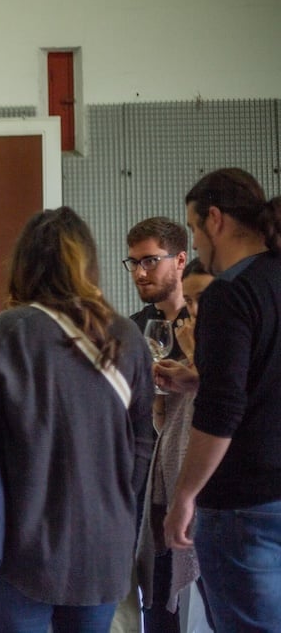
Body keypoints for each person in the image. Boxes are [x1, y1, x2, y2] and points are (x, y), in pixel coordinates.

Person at [0, 207, 155, 633]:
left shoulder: (7, 332)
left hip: (21, 546)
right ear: (89, 263)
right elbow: (145, 439)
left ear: (23, 265)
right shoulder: (126, 336)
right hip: (104, 546)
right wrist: (118, 497)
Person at [163, 168, 281, 631]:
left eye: (192, 228)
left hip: (243, 506)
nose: (195, 242)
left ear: (215, 219)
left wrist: (184, 496)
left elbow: (222, 412)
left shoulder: (230, 295)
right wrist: (199, 380)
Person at [115, 217, 189, 633]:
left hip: (195, 477)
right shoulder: (128, 330)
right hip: (145, 485)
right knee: (156, 602)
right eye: (134, 263)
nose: (140, 272)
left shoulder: (209, 323)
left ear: (180, 260)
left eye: (150, 261)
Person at [136, 259, 216, 632]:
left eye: (206, 298)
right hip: (169, 490)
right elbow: (169, 428)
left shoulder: (230, 344)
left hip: (212, 499)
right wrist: (158, 401)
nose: (196, 309)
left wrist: (199, 360)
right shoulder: (156, 330)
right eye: (194, 299)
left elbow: (225, 413)